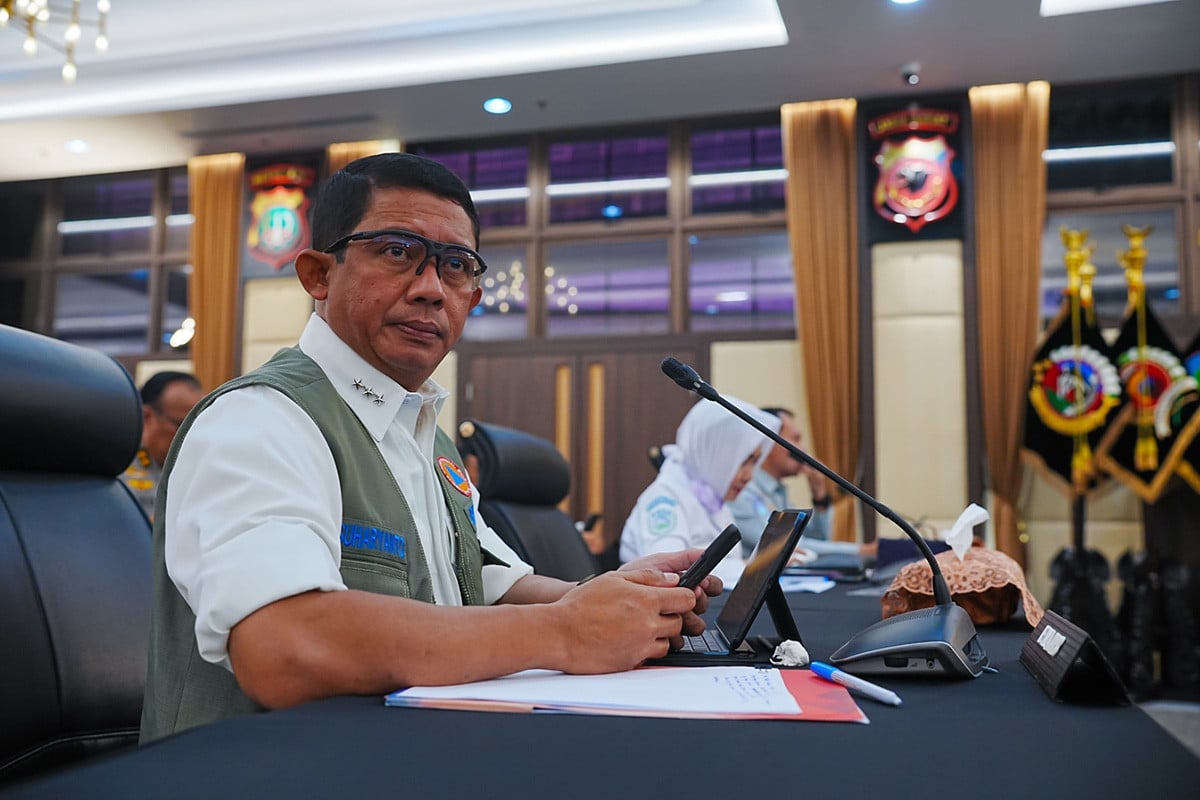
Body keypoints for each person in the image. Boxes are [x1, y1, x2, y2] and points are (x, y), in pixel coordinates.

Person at [140, 153, 721, 742]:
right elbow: (283, 645)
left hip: (408, 751)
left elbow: (483, 582)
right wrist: (566, 631)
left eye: (456, 266)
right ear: (319, 274)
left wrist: (612, 599)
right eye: (397, 252)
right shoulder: (259, 419)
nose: (431, 290)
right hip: (267, 770)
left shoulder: (424, 433)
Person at [619, 398, 779, 585]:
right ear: (715, 453)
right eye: (744, 461)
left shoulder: (714, 498)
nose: (749, 476)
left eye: (755, 462)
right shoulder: (664, 499)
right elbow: (670, 573)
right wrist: (751, 566)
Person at [727, 406, 875, 559]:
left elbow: (817, 540)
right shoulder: (742, 492)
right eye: (796, 439)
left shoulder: (778, 492)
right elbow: (788, 546)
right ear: (769, 442)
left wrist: (820, 497)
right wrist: (863, 550)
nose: (803, 449)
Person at [120, 370, 204, 519]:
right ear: (147, 417)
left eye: (200, 425)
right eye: (182, 425)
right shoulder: (119, 471)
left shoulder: (199, 469)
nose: (193, 435)